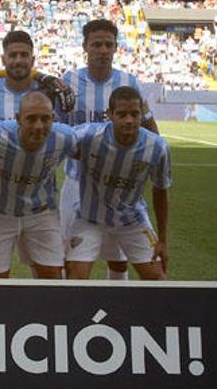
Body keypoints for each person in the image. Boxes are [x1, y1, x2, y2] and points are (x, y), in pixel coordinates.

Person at [59, 19, 159, 280]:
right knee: (70, 259)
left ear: (116, 48)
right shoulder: (69, 80)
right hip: (76, 181)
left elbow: (149, 126)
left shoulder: (128, 81)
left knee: (118, 260)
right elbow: (57, 130)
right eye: (96, 44)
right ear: (85, 46)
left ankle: (117, 314)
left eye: (108, 44)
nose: (103, 50)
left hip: (118, 184)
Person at [0, 91, 75, 278]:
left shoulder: (64, 137)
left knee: (53, 279)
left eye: (45, 119)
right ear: (18, 118)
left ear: (53, 118)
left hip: (42, 214)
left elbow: (87, 149)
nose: (38, 126)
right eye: (31, 119)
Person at [64, 87, 171, 280]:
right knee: (76, 279)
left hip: (132, 222)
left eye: (134, 114)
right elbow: (55, 140)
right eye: (122, 114)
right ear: (110, 115)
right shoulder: (88, 136)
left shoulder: (157, 147)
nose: (129, 120)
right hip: (89, 220)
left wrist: (162, 239)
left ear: (141, 115)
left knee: (158, 281)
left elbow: (161, 190)